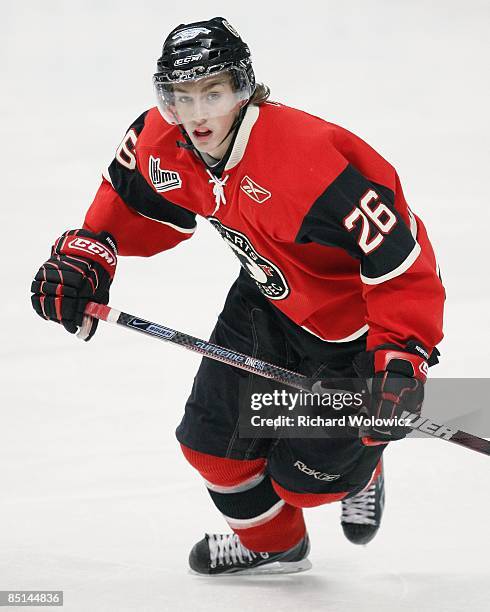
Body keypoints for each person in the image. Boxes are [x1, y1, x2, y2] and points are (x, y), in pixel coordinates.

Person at [31, 17, 445, 576]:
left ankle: (364, 466)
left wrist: (401, 354)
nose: (197, 112)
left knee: (301, 481)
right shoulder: (162, 138)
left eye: (213, 92)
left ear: (244, 89)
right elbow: (131, 201)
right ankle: (276, 546)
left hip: (353, 336)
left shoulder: (312, 161)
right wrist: (88, 255)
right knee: (213, 452)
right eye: (182, 95)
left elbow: (402, 259)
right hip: (263, 304)